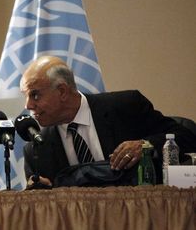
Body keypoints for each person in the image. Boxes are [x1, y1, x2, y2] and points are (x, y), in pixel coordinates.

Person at [20, 56, 196, 188]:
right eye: (26, 96)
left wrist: (145, 146)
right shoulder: (36, 149)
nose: (28, 105)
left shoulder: (126, 107)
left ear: (63, 91)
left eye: (35, 95)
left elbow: (188, 137)